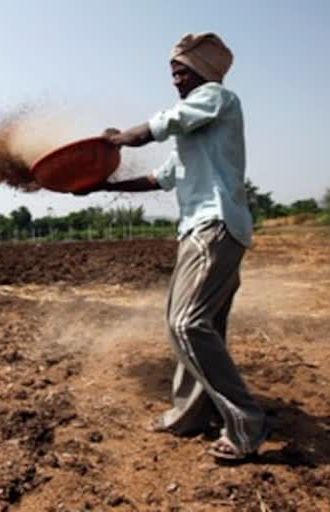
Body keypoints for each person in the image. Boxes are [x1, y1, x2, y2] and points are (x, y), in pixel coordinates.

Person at [80, 32, 268, 460]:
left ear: (201, 71)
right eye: (173, 73)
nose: (175, 80)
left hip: (214, 224)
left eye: (180, 71)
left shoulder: (217, 99)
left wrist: (118, 139)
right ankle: (190, 415)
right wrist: (100, 187)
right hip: (198, 230)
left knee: (187, 324)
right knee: (197, 325)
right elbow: (159, 178)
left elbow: (159, 126)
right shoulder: (195, 130)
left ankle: (246, 422)